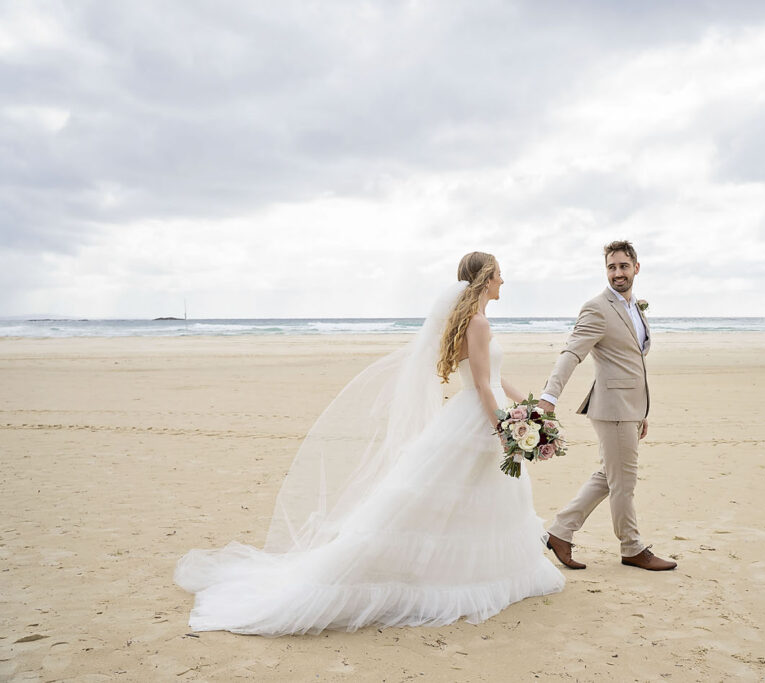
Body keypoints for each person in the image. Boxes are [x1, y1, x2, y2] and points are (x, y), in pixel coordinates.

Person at [175, 252, 564, 635]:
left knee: (477, 500)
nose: (503, 281)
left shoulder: (477, 322)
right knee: (452, 500)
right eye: (499, 274)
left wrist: (531, 408)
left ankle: (476, 573)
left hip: (483, 415)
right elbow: (480, 385)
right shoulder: (477, 323)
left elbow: (496, 378)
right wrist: (503, 428)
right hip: (479, 419)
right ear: (486, 278)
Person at [538, 240, 676, 571]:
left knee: (608, 476)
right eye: (612, 267)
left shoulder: (634, 308)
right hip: (612, 408)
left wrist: (642, 412)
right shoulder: (597, 308)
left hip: (630, 407)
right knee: (624, 482)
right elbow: (572, 352)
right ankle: (631, 548)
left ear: (636, 268)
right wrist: (550, 395)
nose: (617, 273)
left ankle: (560, 532)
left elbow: (634, 362)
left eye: (623, 266)